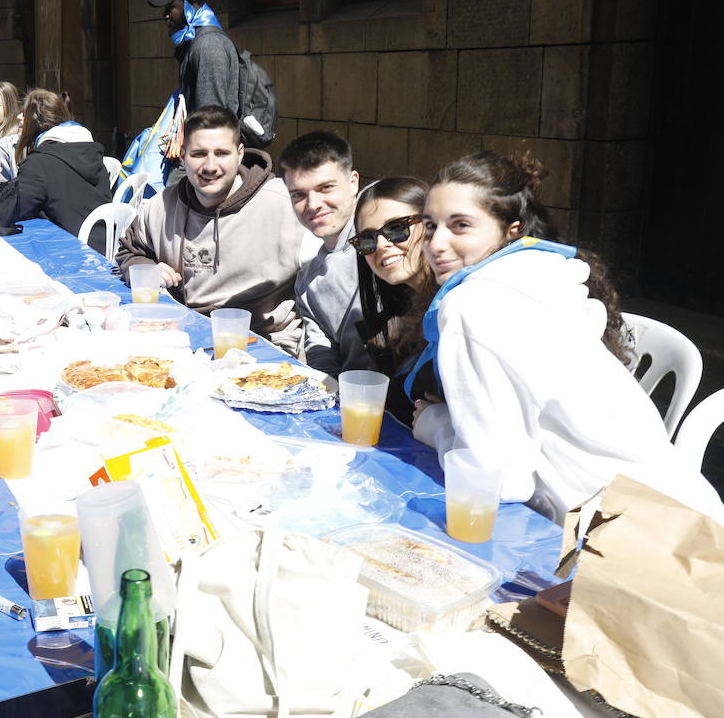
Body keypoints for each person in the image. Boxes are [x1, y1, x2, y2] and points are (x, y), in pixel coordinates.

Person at [410, 151, 724, 524]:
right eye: (430, 225)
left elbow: (498, 479)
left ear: (511, 229)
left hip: (622, 540)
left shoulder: (471, 304)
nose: (436, 243)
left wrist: (433, 424)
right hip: (689, 510)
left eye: (460, 225)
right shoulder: (540, 274)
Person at [116, 105, 316, 354]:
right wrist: (146, 269)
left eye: (221, 153)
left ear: (240, 154)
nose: (210, 166)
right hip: (178, 337)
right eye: (199, 154)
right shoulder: (161, 206)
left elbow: (336, 256)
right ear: (182, 156)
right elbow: (129, 250)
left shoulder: (284, 204)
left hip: (263, 346)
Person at [0, 89, 112, 247]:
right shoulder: (90, 152)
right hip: (102, 246)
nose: (18, 117)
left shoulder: (41, 162)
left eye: (24, 113)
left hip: (71, 253)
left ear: (33, 123)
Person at [280, 131, 370, 375]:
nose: (313, 204)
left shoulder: (390, 241)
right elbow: (323, 357)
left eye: (326, 188)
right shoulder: (308, 283)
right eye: (298, 194)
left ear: (353, 183)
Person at [349, 177, 434, 424]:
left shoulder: (460, 308)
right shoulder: (395, 319)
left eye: (397, 229)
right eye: (367, 239)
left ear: (432, 225)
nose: (382, 245)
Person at [148, 0, 238, 114]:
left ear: (190, 3)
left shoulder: (209, 45)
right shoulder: (197, 41)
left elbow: (210, 119)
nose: (165, 15)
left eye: (170, 7)